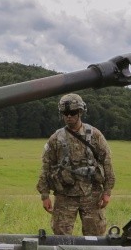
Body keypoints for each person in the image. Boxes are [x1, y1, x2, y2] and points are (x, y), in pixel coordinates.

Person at [36, 93, 115, 236]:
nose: (68, 116)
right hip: (65, 195)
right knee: (61, 238)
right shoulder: (56, 139)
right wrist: (45, 195)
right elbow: (46, 166)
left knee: (95, 237)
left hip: (91, 194)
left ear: (80, 112)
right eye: (65, 113)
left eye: (72, 113)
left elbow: (107, 162)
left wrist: (107, 192)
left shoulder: (95, 135)